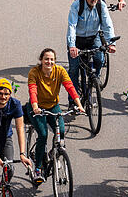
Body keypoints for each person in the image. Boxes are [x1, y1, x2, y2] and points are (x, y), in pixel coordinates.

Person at [24, 48, 84, 182]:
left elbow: (70, 87)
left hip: (53, 106)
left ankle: (54, 151)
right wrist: (35, 106)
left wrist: (78, 104)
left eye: (52, 59)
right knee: (43, 134)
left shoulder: (60, 71)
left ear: (55, 61)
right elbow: (32, 90)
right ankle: (38, 167)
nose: (49, 62)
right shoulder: (34, 72)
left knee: (61, 131)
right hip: (37, 107)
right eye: (46, 59)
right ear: (41, 60)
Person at [66, 0, 116, 95]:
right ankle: (73, 102)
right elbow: (72, 26)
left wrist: (111, 43)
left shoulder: (101, 6)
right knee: (74, 70)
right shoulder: (76, 6)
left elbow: (107, 25)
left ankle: (95, 77)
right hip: (77, 39)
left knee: (100, 58)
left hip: (93, 37)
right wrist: (72, 46)